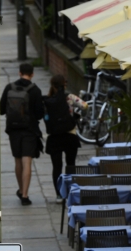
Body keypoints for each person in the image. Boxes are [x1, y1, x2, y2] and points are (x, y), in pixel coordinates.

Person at [0, 62, 44, 206]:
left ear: (19, 73)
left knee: (18, 161)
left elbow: (1, 109)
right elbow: (39, 114)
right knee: (27, 162)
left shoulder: (9, 88)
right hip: (29, 130)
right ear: (32, 74)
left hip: (13, 130)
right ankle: (25, 195)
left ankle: (20, 189)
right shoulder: (35, 90)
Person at [43, 74, 86, 203]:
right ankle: (71, 192)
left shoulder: (48, 100)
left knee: (56, 167)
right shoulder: (70, 97)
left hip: (54, 137)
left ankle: (59, 195)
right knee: (71, 165)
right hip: (70, 135)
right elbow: (85, 106)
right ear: (64, 84)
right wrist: (76, 115)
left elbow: (45, 117)